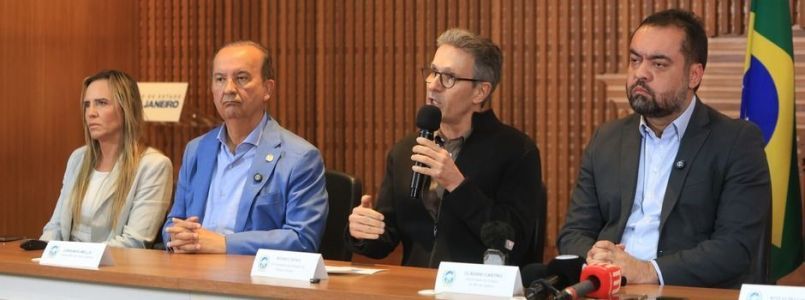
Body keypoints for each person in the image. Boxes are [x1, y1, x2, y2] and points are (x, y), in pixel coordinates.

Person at [557, 9, 771, 288]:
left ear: (694, 74)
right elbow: (574, 231)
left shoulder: (737, 142)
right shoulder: (607, 139)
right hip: (609, 289)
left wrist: (647, 270)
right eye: (635, 60)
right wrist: (599, 258)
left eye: (658, 64)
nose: (640, 73)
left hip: (684, 291)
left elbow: (735, 248)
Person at [346, 28, 544, 267]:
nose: (433, 85)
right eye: (433, 72)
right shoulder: (406, 149)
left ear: (480, 91)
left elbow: (511, 241)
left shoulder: (516, 151)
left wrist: (457, 184)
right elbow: (386, 239)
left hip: (477, 288)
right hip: (413, 288)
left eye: (448, 77)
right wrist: (364, 230)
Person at [164, 41, 328, 255]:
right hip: (192, 273)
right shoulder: (196, 150)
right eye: (220, 79)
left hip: (254, 281)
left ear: (267, 89)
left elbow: (302, 239)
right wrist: (177, 234)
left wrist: (225, 244)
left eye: (241, 78)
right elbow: (173, 223)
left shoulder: (300, 157)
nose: (229, 89)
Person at [41, 70, 173, 248]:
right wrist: (42, 254)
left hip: (111, 270)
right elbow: (55, 226)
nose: (91, 113)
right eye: (87, 105)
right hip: (65, 265)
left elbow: (134, 242)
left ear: (127, 108)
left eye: (102, 103)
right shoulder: (78, 158)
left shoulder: (153, 166)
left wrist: (77, 259)